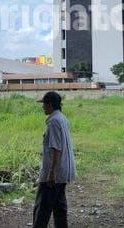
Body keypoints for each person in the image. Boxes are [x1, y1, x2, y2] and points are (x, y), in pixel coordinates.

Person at [33, 91, 76, 228]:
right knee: (59, 208)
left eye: (44, 104)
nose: (43, 107)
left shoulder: (53, 122)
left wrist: (51, 172)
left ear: (50, 105)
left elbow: (55, 148)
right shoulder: (62, 119)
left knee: (42, 209)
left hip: (53, 174)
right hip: (63, 171)